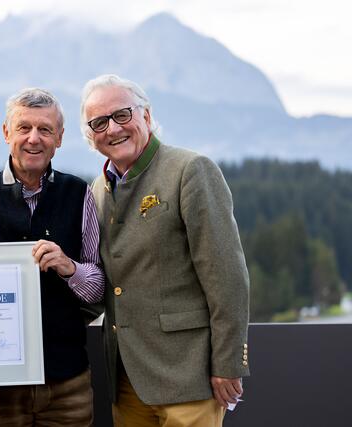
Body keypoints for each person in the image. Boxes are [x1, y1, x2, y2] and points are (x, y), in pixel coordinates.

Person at [80, 74, 250, 427]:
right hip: (126, 382)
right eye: (99, 122)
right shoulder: (97, 190)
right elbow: (103, 283)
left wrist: (228, 364)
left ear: (146, 115)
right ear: (90, 136)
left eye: (122, 115)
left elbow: (227, 277)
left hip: (191, 377)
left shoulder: (190, 170)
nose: (112, 129)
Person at [0, 88, 104, 426]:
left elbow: (97, 287)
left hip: (67, 384)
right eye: (24, 128)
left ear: (59, 138)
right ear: (7, 133)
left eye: (45, 130)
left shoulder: (80, 196)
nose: (34, 139)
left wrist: (69, 268)